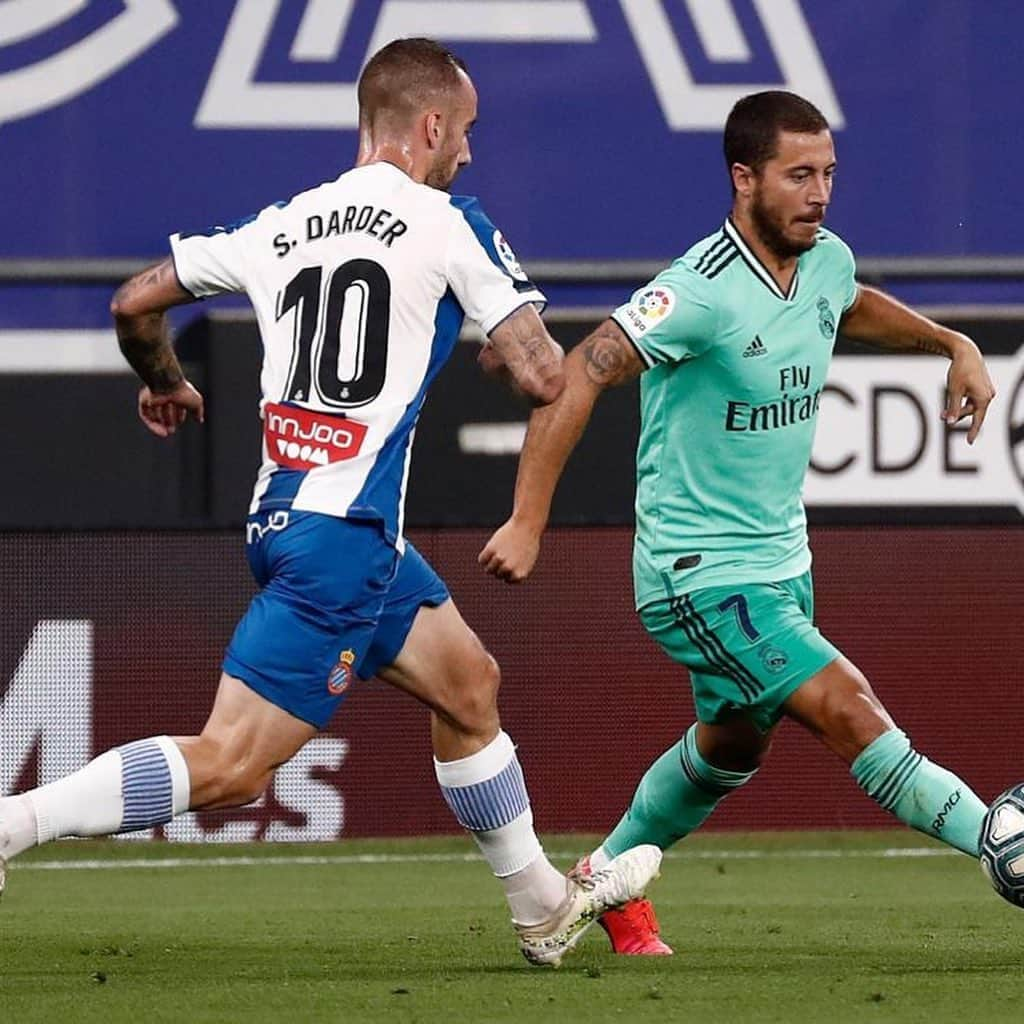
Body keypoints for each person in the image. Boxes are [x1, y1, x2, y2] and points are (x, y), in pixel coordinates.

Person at [0, 37, 659, 967]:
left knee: (469, 684)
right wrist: (522, 348)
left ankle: (543, 907)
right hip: (341, 541)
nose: (468, 150)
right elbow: (547, 377)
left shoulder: (285, 222)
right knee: (231, 763)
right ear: (431, 125)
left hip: (299, 525)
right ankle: (13, 822)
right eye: (465, 131)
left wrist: (165, 381)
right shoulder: (448, 221)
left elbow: (132, 302)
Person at [480, 90, 998, 956]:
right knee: (849, 708)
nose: (820, 192)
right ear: (743, 178)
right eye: (799, 175)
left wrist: (953, 342)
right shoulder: (695, 293)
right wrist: (529, 519)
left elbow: (850, 301)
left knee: (731, 747)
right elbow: (579, 372)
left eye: (829, 173)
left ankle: (598, 888)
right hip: (697, 575)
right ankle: (1002, 844)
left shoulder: (823, 259)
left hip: (781, 564)